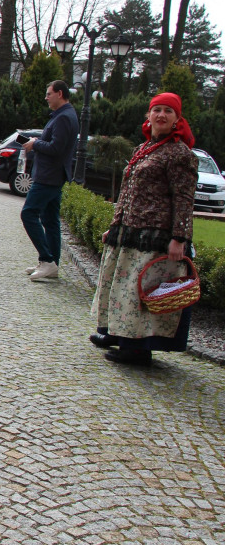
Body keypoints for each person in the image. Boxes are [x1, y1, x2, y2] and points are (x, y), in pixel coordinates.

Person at [89, 92, 199, 364]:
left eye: (168, 111)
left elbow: (184, 198)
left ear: (177, 119)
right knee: (122, 289)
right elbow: (127, 191)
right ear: (148, 116)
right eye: (157, 110)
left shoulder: (179, 153)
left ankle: (137, 349)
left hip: (156, 235)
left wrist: (179, 238)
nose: (161, 115)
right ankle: (117, 334)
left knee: (140, 292)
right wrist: (114, 227)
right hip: (130, 231)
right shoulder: (144, 148)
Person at [21, 80, 80, 281]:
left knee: (28, 214)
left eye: (49, 94)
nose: (46, 98)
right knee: (50, 220)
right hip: (53, 175)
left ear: (60, 94)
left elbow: (56, 148)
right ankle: (51, 263)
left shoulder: (64, 117)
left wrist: (35, 143)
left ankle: (47, 260)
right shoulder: (64, 115)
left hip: (48, 176)